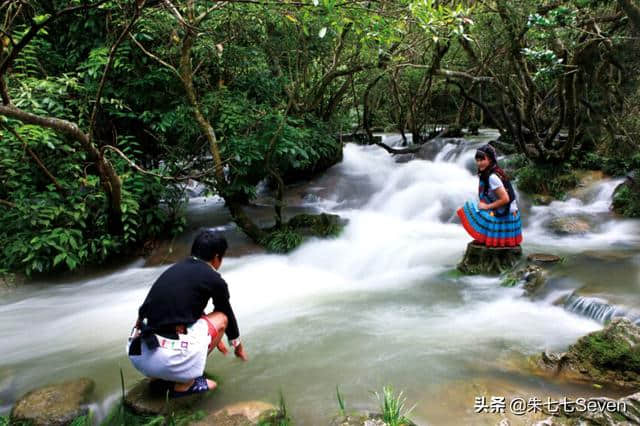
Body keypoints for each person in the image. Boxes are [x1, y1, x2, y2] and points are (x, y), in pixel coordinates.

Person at [127, 230, 247, 398]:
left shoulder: (175, 270)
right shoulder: (214, 279)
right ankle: (185, 383)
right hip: (165, 360)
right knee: (221, 318)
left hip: (138, 354)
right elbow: (226, 313)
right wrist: (238, 346)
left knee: (173, 328)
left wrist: (210, 335)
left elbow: (184, 307)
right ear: (217, 257)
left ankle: (159, 377)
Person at [457, 144, 523, 247]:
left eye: (482, 160)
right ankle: (486, 236)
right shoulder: (493, 171)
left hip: (505, 214)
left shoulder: (492, 177)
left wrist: (487, 206)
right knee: (478, 207)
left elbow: (505, 199)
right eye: (477, 160)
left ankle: (485, 237)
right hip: (509, 211)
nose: (479, 163)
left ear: (490, 160)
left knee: (469, 208)